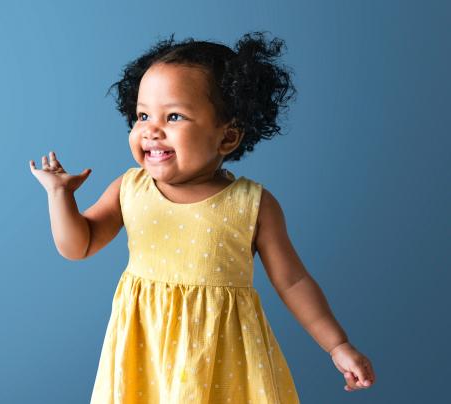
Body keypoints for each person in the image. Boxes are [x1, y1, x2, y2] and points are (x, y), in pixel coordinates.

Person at [30, 31, 376, 403]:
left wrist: (337, 344)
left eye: (173, 116)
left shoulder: (252, 204)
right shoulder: (130, 188)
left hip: (222, 356)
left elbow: (292, 282)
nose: (151, 129)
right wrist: (60, 196)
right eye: (143, 115)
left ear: (227, 137)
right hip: (144, 351)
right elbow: (77, 245)